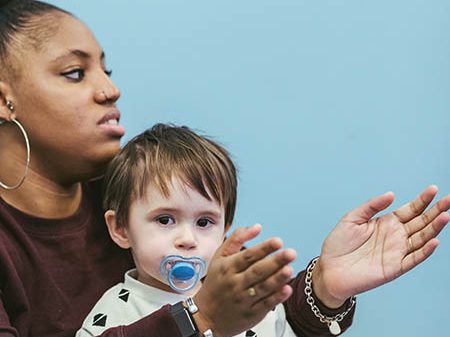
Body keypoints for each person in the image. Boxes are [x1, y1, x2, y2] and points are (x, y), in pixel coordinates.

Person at [0, 1, 449, 337]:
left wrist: (326, 287)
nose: (110, 90)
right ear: (4, 100)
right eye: (76, 73)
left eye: (107, 69)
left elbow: (272, 327)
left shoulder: (142, 186)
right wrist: (199, 319)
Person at [77, 123, 302, 337]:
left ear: (224, 232)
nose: (187, 239)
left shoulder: (247, 300)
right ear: (121, 229)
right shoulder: (114, 312)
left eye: (204, 223)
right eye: (165, 220)